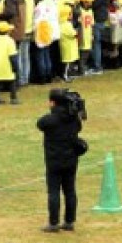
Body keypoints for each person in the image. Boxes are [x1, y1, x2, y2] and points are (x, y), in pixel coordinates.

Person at [37, 89, 83, 232]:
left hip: (54, 160)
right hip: (71, 159)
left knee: (54, 191)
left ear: (53, 102)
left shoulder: (50, 120)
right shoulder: (73, 118)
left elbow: (40, 123)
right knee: (70, 190)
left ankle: (53, 223)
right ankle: (69, 221)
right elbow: (79, 127)